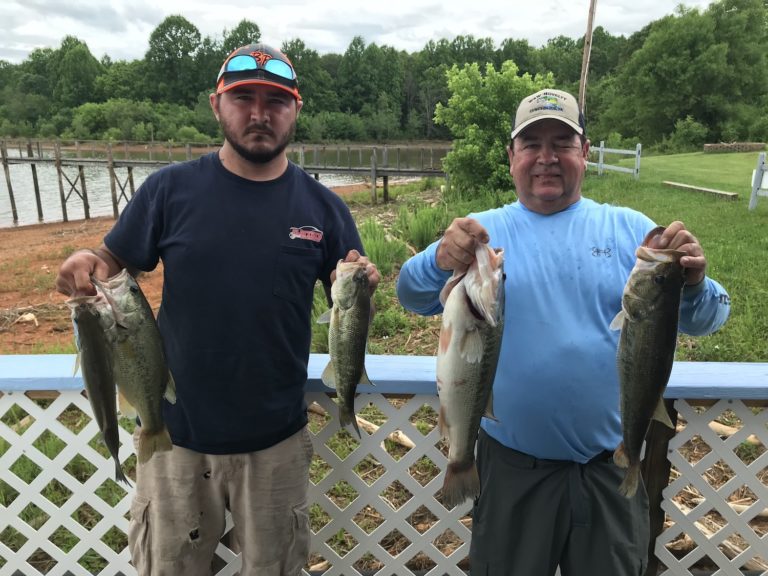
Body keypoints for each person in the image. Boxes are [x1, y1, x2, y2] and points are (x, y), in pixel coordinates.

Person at [55, 43, 380, 576]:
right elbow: (112, 261)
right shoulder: (169, 190)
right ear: (216, 105)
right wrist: (84, 261)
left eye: (275, 100)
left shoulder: (324, 208)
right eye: (243, 99)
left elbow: (348, 297)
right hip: (174, 438)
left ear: (296, 109)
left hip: (277, 441)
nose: (258, 114)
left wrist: (364, 280)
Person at [396, 88, 730, 576]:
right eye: (531, 144)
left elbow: (709, 318)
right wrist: (436, 259)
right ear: (511, 156)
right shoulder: (480, 234)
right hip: (513, 469)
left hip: (610, 467)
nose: (546, 158)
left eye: (562, 143)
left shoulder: (630, 231)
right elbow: (411, 294)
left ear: (585, 153)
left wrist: (696, 281)